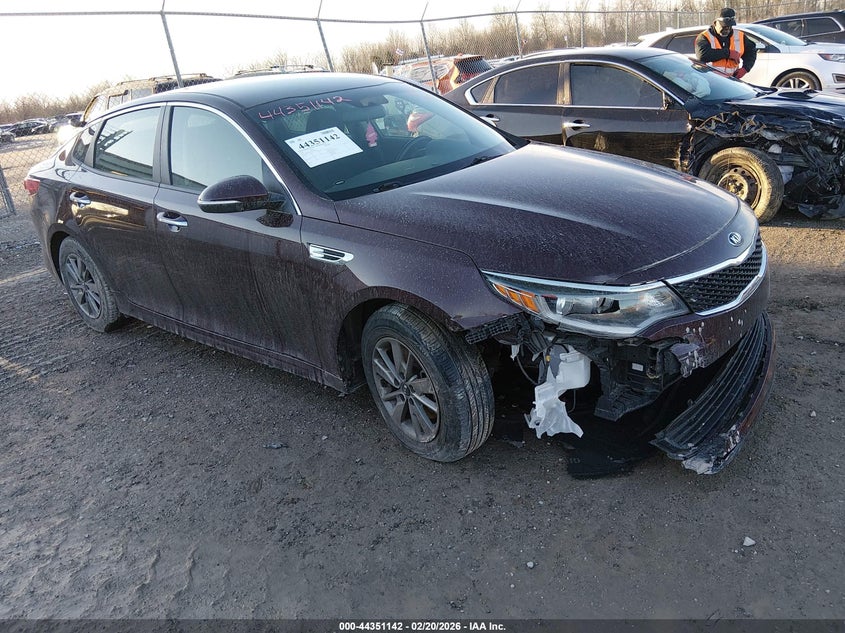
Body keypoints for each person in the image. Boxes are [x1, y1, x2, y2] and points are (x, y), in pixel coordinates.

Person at [695, 8, 757, 80]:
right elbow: (702, 55)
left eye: (729, 26)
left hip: (730, 81)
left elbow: (751, 51)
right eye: (724, 26)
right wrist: (728, 53)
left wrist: (745, 68)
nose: (727, 29)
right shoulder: (704, 37)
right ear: (715, 23)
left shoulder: (740, 36)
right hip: (710, 80)